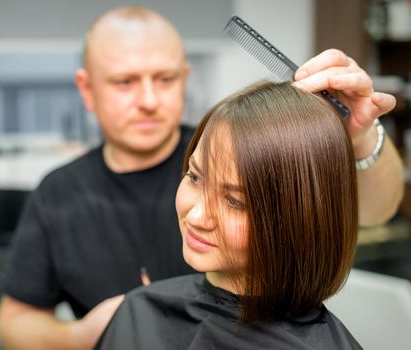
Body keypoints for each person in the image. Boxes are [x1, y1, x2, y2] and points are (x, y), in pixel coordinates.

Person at [0, 6, 403, 350]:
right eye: (125, 82)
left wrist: (363, 137)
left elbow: (376, 209)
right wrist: (92, 332)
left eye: (165, 79)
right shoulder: (59, 193)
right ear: (87, 90)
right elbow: (14, 320)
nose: (150, 100)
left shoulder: (241, 148)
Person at [96, 81, 362, 349]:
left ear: (301, 217)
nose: (197, 216)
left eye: (235, 201)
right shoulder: (140, 312)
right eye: (195, 177)